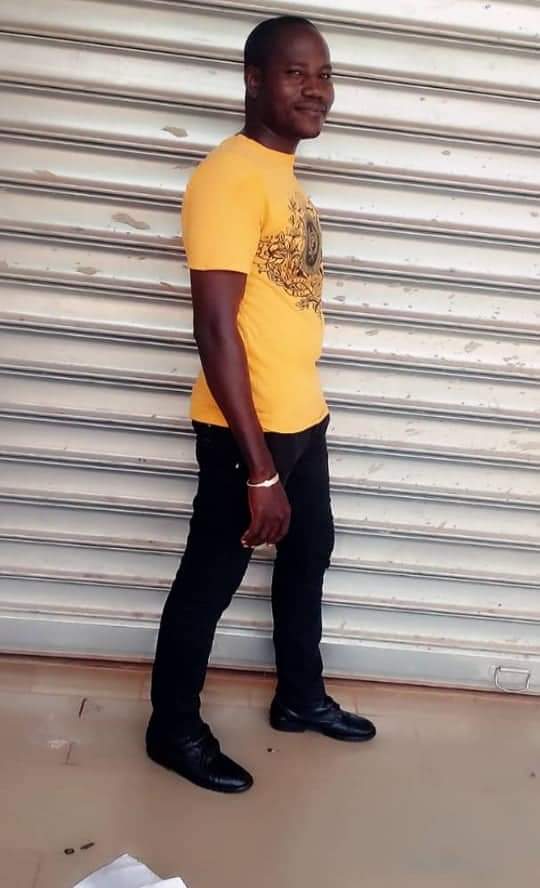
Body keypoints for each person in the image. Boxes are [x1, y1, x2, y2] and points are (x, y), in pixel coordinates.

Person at [146, 14, 376, 794]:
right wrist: (260, 470)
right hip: (249, 431)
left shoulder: (283, 176)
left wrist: (300, 431)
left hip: (301, 415)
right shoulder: (227, 177)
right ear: (253, 79)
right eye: (296, 73)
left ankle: (300, 698)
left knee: (308, 557)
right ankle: (173, 729)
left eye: (325, 74)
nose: (317, 90)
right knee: (209, 580)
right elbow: (214, 329)